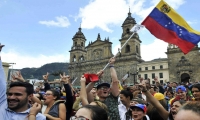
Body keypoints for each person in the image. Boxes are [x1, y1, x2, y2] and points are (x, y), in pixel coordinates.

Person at [0, 44, 46, 120]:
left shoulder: (38, 117)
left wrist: (32, 115)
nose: (11, 97)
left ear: (30, 97)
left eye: (17, 94)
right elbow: (1, 81)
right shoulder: (2, 105)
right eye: (9, 94)